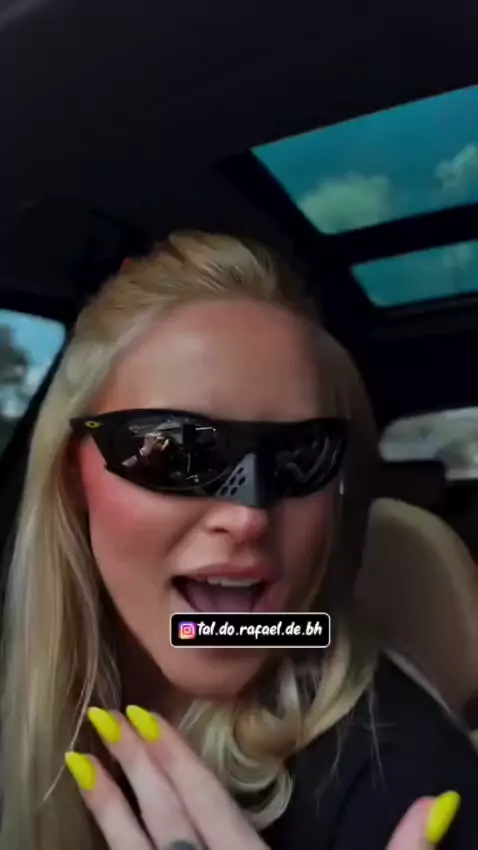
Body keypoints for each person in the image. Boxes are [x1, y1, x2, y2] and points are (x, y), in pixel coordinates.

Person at [0, 232, 476, 850]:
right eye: (174, 450)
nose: (249, 517)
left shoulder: (402, 783)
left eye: (301, 456)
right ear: (73, 476)